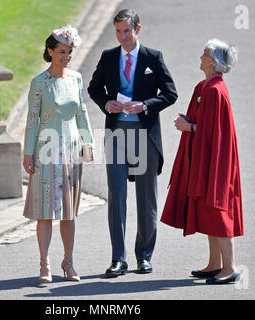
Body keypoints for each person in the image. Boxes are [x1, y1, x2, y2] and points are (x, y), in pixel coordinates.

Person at [87, 9, 177, 277]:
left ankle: (144, 257)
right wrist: (106, 103)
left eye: (127, 31)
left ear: (138, 29)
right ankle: (118, 259)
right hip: (116, 135)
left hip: (145, 136)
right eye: (118, 32)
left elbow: (170, 93)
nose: (122, 37)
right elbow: (94, 88)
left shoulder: (153, 57)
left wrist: (145, 105)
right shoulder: (108, 57)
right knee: (116, 196)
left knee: (146, 197)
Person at [161, 39, 243, 285]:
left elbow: (214, 132)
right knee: (208, 208)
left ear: (214, 61)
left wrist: (189, 127)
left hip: (216, 160)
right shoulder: (206, 86)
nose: (201, 56)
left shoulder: (215, 90)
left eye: (205, 53)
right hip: (205, 156)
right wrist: (190, 123)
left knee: (219, 210)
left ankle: (230, 267)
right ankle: (215, 264)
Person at [22, 25, 94, 283]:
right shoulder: (39, 83)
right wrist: (28, 153)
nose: (66, 56)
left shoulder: (76, 79)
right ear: (50, 51)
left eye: (70, 52)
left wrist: (88, 143)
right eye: (62, 51)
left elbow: (81, 112)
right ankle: (44, 263)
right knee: (45, 210)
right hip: (46, 151)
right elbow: (32, 120)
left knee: (69, 212)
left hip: (72, 150)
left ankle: (69, 261)